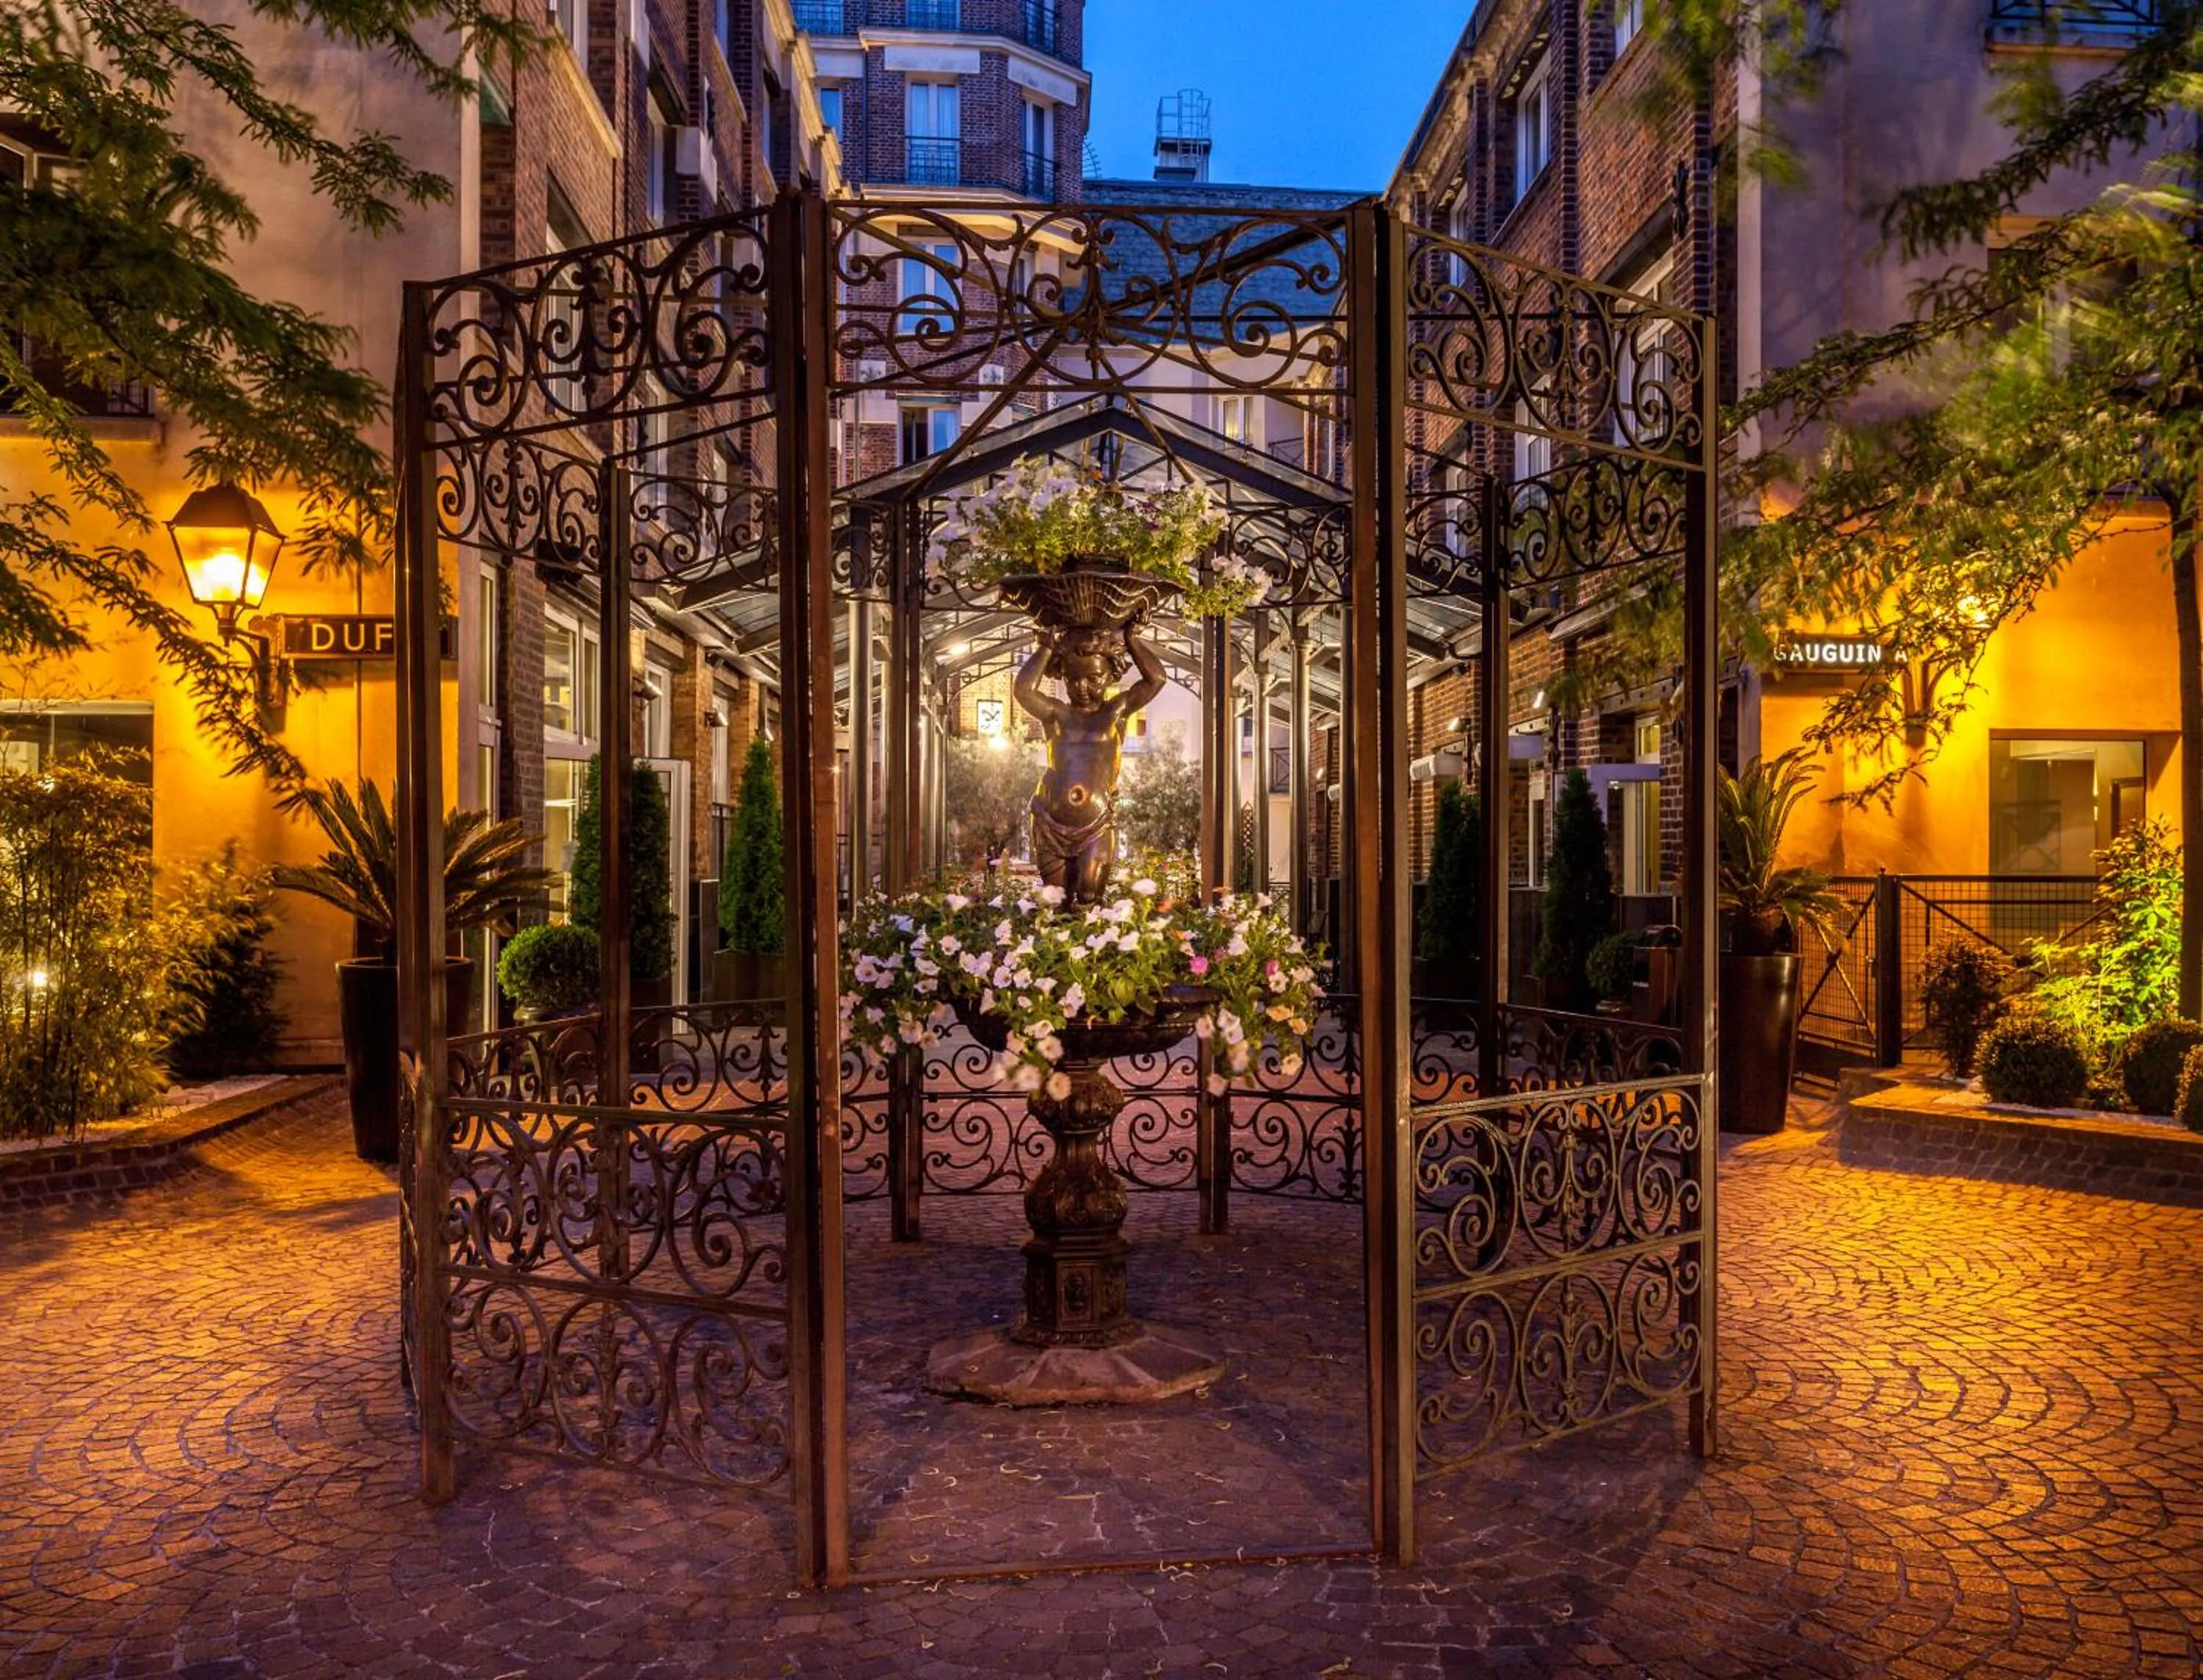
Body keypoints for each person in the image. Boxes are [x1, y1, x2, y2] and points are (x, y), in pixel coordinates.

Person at [1014, 620, 1167, 905]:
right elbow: (1023, 691)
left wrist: (1132, 639)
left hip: (1096, 825)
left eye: (1094, 678)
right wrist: (1046, 647)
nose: (1082, 687)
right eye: (1073, 679)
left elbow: (1156, 679)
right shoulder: (1056, 714)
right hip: (1050, 822)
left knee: (1089, 895)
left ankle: (1095, 948)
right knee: (1055, 902)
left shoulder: (1115, 713)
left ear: (1111, 676)